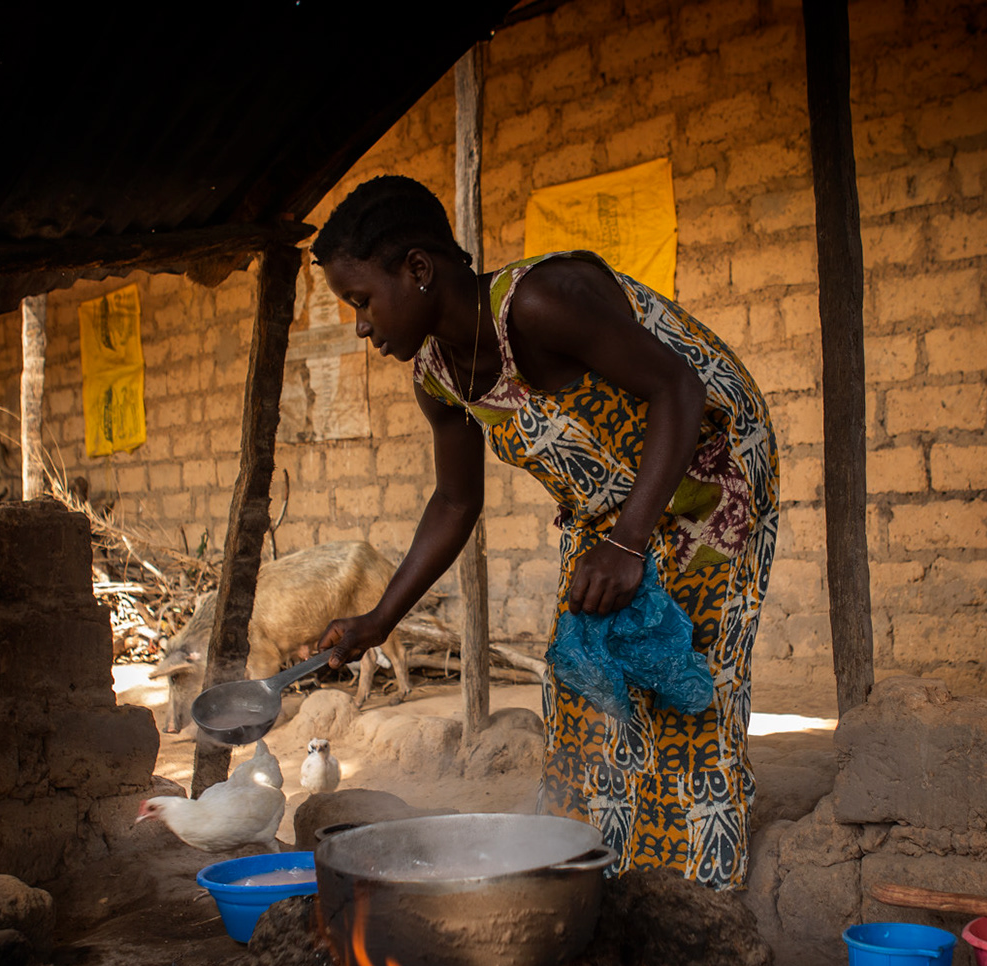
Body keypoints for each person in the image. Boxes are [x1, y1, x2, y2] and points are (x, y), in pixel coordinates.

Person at [312, 175, 778, 889]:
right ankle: (600, 882)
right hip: (608, 510)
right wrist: (379, 620)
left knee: (679, 683)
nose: (362, 326)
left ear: (417, 269)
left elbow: (676, 388)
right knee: (583, 690)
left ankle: (700, 900)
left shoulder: (540, 301)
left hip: (711, 474)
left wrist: (626, 545)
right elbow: (454, 503)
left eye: (362, 301)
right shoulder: (439, 377)